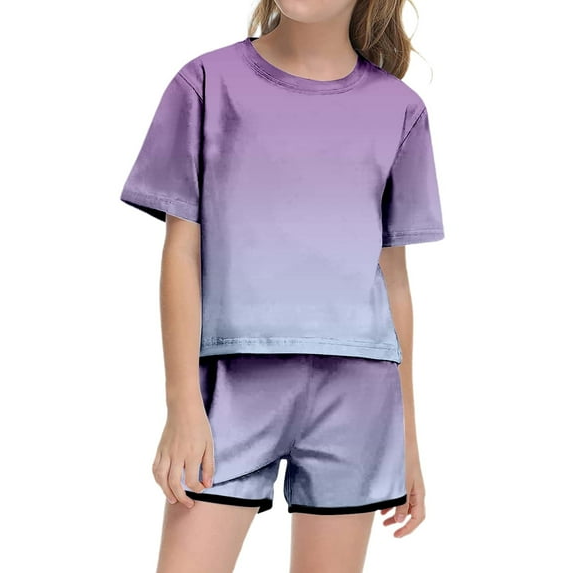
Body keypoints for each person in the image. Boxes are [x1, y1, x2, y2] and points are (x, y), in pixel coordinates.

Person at [119, 1, 445, 571]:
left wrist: (408, 439)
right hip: (232, 389)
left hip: (358, 397)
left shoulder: (400, 109)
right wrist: (182, 404)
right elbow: (181, 251)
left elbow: (394, 279)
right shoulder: (205, 82)